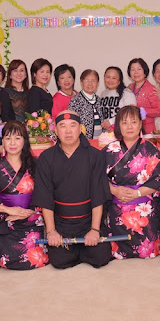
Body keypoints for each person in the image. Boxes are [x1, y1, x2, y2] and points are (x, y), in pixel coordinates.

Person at [33, 110, 112, 269]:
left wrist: (94, 229)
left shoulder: (95, 155)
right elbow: (45, 197)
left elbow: (98, 194)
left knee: (100, 257)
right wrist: (51, 231)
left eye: (73, 125)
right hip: (62, 222)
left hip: (88, 220)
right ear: (56, 131)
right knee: (59, 261)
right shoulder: (46, 158)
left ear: (80, 128)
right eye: (63, 126)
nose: (68, 131)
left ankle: (82, 247)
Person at [0, 121, 49, 270]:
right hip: (6, 218)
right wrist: (9, 210)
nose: (12, 143)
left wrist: (28, 212)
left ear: (24, 141)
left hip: (31, 217)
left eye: (17, 138)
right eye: (8, 138)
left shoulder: (36, 165)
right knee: (5, 260)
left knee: (37, 260)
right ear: (2, 141)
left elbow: (45, 193)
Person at [104, 106, 160, 259]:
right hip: (118, 208)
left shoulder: (150, 149)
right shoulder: (109, 149)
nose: (129, 127)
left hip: (144, 208)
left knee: (147, 250)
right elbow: (97, 177)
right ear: (118, 126)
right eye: (124, 123)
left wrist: (137, 193)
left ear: (140, 124)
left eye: (133, 122)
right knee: (116, 247)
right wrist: (114, 190)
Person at [128, 58, 160, 134]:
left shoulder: (151, 89)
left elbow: (158, 111)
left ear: (145, 72)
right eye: (133, 69)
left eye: (139, 69)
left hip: (148, 130)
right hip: (132, 129)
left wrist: (140, 110)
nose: (136, 72)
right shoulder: (129, 88)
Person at [99, 66, 136, 131]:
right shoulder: (103, 93)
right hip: (105, 132)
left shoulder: (127, 93)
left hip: (122, 131)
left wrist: (111, 122)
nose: (110, 80)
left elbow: (130, 113)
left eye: (114, 78)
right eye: (108, 77)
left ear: (119, 81)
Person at [69, 69, 102, 139]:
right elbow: (71, 122)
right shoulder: (75, 100)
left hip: (100, 140)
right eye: (87, 80)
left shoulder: (99, 100)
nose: (90, 84)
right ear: (81, 82)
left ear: (97, 83)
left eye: (93, 81)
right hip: (83, 141)